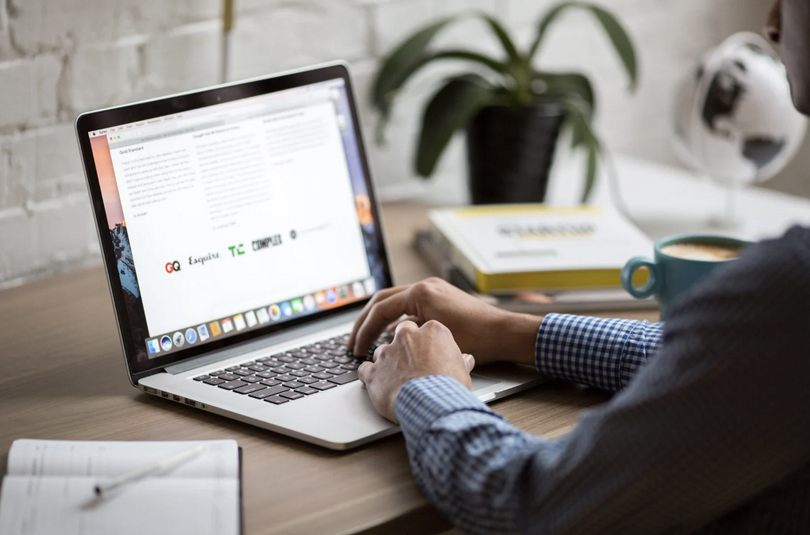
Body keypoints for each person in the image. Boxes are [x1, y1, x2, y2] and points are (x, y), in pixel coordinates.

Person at [346, 1, 810, 533]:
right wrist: (512, 330)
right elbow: (733, 362)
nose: (771, 22)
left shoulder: (792, 285)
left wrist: (425, 387)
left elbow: (533, 506)